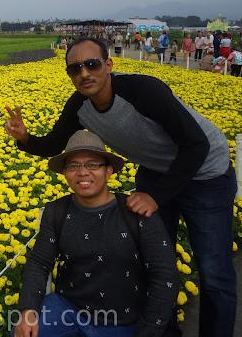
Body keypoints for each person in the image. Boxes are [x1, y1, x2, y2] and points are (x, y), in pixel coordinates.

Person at [5, 36, 237, 337]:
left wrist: (156, 196)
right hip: (157, 168)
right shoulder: (80, 106)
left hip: (207, 171)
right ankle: (164, 332)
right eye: (75, 68)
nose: (84, 73)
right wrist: (24, 138)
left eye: (91, 64)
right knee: (155, 262)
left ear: (108, 65)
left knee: (214, 272)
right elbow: (54, 145)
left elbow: (196, 144)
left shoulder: (144, 91)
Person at [14, 131, 178, 337]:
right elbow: (39, 262)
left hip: (123, 319)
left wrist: (148, 332)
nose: (83, 172)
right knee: (24, 332)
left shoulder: (137, 212)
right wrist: (28, 309)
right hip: (69, 308)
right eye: (74, 166)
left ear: (108, 171)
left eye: (92, 164)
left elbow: (165, 277)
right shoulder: (56, 211)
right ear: (64, 172)